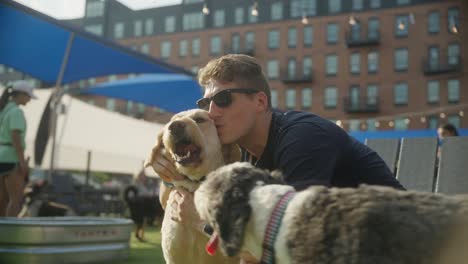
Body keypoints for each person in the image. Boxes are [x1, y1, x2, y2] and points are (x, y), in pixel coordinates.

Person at [151, 54, 405, 251]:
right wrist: (169, 170)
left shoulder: (303, 138)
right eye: (206, 103)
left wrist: (201, 221)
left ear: (260, 102)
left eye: (224, 99)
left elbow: (296, 238)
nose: (212, 112)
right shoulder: (247, 156)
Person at [0, 80, 37, 217]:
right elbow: (15, 136)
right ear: (20, 94)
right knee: (15, 199)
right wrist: (22, 162)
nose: (29, 100)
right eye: (28, 96)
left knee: (2, 199)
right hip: (11, 157)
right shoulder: (16, 112)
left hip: (1, 155)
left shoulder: (3, 110)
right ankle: (10, 233)